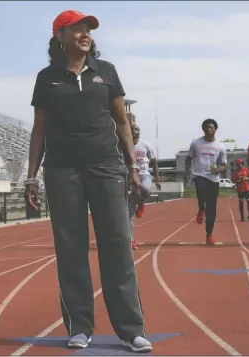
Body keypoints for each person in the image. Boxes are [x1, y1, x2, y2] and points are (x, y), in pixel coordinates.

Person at [24, 10, 152, 352]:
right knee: (71, 250)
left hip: (107, 168)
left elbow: (122, 122)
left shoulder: (106, 72)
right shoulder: (46, 78)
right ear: (60, 37)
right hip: (62, 171)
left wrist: (133, 168)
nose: (85, 34)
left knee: (117, 247)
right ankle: (79, 326)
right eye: (77, 29)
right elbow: (39, 128)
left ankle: (130, 329)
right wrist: (30, 176)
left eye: (88, 30)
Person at [184, 118, 227, 245]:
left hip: (214, 178)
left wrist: (218, 169)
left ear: (215, 129)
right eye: (207, 127)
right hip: (199, 174)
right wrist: (187, 173)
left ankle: (209, 234)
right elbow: (188, 158)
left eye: (211, 127)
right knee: (201, 191)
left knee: (212, 208)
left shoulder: (220, 146)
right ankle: (201, 208)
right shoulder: (196, 143)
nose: (209, 129)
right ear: (203, 129)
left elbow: (224, 165)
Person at [129, 123, 161, 250]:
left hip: (144, 175)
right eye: (131, 129)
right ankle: (131, 240)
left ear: (139, 132)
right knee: (130, 212)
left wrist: (157, 179)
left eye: (136, 129)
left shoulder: (146, 145)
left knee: (146, 190)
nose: (134, 131)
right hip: (130, 177)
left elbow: (154, 162)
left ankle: (141, 204)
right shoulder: (124, 145)